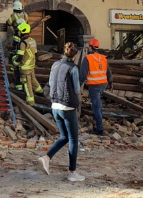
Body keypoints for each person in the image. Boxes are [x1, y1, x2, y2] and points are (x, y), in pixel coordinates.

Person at [39, 42, 84, 182]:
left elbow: (51, 83)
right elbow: (77, 90)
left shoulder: (55, 64)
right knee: (73, 140)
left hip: (55, 106)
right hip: (67, 106)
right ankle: (72, 173)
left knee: (64, 136)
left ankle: (46, 158)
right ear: (75, 55)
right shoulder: (73, 68)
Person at [79, 38, 113, 136]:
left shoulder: (87, 58)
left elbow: (82, 75)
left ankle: (99, 129)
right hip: (103, 84)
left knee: (96, 107)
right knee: (98, 105)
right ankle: (99, 124)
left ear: (90, 47)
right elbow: (108, 72)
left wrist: (78, 85)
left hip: (94, 86)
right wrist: (111, 83)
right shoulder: (103, 58)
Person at [16, 22, 43, 105]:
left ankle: (31, 104)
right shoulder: (33, 41)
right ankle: (41, 93)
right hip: (31, 66)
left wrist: (14, 62)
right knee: (33, 80)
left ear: (23, 31)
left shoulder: (23, 43)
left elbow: (20, 57)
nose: (18, 33)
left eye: (19, 31)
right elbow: (35, 53)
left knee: (27, 85)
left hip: (25, 68)